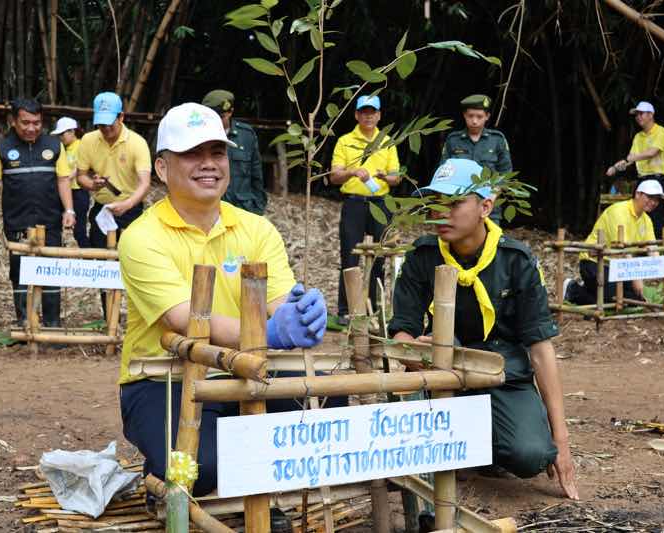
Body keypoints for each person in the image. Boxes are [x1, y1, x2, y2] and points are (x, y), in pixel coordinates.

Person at [118, 102, 339, 502]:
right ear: (163, 168)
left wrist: (301, 311)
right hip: (163, 379)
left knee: (329, 400)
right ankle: (181, 479)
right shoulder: (141, 236)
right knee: (198, 471)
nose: (208, 164)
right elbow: (185, 319)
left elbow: (278, 299)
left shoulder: (255, 227)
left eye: (217, 152)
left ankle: (260, 486)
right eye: (192, 154)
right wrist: (267, 333)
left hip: (247, 372)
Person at [388, 158, 579, 501]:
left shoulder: (516, 261)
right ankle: (461, 445)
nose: (441, 213)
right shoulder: (422, 257)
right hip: (442, 374)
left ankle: (484, 444)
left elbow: (540, 348)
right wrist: (418, 353)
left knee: (531, 455)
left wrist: (560, 439)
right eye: (435, 204)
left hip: (503, 373)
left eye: (454, 203)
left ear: (485, 206)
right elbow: (401, 333)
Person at [0, 99, 75, 327]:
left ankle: (52, 324)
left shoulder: (54, 145)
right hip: (18, 222)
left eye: (37, 122)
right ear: (13, 121)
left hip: (50, 220)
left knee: (52, 270)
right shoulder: (1, 147)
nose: (32, 128)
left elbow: (63, 179)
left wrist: (69, 210)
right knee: (20, 273)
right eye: (25, 122)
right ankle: (25, 322)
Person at [330, 94, 401, 324]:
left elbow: (397, 178)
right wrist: (352, 172)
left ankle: (374, 310)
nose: (368, 116)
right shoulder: (345, 141)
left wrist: (385, 176)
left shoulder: (387, 141)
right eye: (364, 112)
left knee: (379, 256)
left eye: (373, 112)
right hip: (353, 203)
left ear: (379, 115)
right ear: (357, 115)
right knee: (349, 255)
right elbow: (334, 176)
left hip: (380, 204)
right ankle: (345, 310)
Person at [565, 179, 664, 305]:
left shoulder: (646, 220)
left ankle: (590, 290)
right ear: (638, 194)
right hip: (594, 262)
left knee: (635, 300)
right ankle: (572, 290)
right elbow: (623, 251)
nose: (653, 202)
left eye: (657, 199)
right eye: (650, 197)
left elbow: (653, 251)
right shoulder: (618, 211)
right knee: (613, 300)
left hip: (618, 268)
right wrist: (636, 278)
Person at [75, 92, 151, 248]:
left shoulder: (137, 143)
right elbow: (81, 176)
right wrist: (92, 185)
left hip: (131, 207)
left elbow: (145, 184)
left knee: (129, 257)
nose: (106, 128)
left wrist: (127, 205)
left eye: (110, 123)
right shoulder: (88, 140)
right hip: (102, 208)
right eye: (102, 124)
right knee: (100, 256)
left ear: (121, 117)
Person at [440, 94, 512, 224]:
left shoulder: (497, 140)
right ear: (464, 115)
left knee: (490, 241)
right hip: (458, 205)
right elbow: (443, 172)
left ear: (487, 117)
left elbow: (505, 173)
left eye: (479, 117)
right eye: (470, 116)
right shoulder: (453, 140)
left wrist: (493, 196)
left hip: (488, 205)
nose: (474, 121)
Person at [606, 101, 664, 237]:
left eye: (641, 114)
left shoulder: (661, 131)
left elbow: (652, 152)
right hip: (642, 178)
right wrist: (616, 167)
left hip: (658, 178)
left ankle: (655, 248)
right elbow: (630, 158)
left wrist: (632, 158)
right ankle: (638, 245)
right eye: (636, 115)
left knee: (655, 214)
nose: (638, 117)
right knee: (636, 210)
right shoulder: (638, 136)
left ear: (651, 115)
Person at [201, 89, 267, 215]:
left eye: (220, 116)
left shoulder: (246, 135)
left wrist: (258, 207)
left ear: (230, 112)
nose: (214, 120)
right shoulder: (198, 135)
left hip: (241, 208)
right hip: (208, 209)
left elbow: (256, 174)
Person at [51, 116, 90, 248]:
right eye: (59, 135)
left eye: (62, 134)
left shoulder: (82, 146)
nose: (60, 137)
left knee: (79, 231)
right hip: (63, 191)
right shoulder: (62, 149)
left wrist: (64, 179)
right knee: (55, 227)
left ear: (72, 132)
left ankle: (90, 260)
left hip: (78, 191)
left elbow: (79, 168)